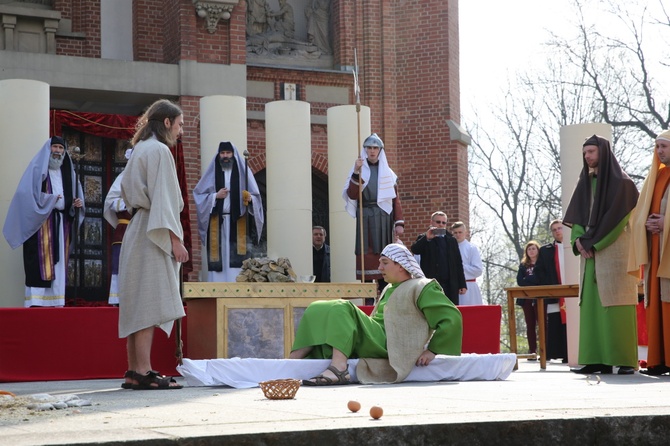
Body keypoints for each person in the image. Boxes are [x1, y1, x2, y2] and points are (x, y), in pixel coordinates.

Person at [289, 243, 463, 385]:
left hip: (393, 343)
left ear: (400, 265)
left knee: (341, 307)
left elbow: (451, 318)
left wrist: (433, 350)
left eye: (384, 262)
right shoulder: (389, 288)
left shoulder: (422, 286)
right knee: (316, 307)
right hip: (375, 337)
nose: (379, 268)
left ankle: (339, 368)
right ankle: (290, 364)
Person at [117, 99, 188, 390]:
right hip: (152, 230)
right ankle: (144, 371)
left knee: (136, 303)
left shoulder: (139, 150)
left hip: (137, 228)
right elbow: (164, 199)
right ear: (167, 122)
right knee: (147, 302)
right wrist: (175, 240)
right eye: (180, 124)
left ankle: (134, 371)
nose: (181, 131)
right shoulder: (159, 151)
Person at [563, 134, 639, 375]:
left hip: (614, 253)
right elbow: (575, 219)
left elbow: (619, 220)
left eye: (591, 152)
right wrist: (578, 241)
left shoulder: (623, 184)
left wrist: (595, 243)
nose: (587, 157)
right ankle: (596, 360)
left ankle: (625, 360)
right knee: (592, 307)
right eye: (585, 153)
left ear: (603, 153)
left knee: (617, 304)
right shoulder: (584, 183)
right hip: (588, 255)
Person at [3, 136, 85, 307]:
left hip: (61, 224)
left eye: (60, 148)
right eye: (55, 147)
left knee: (59, 263)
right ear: (49, 150)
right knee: (40, 262)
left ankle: (56, 301)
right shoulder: (37, 170)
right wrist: (49, 200)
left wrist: (75, 202)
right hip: (41, 225)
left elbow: (73, 196)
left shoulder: (68, 171)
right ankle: (37, 302)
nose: (57, 151)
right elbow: (24, 196)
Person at [628, 129, 670, 376]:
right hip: (657, 253)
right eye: (657, 147)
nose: (659, 151)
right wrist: (646, 223)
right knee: (657, 305)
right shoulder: (657, 176)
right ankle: (659, 360)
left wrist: (665, 223)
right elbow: (640, 213)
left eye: (664, 146)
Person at [194, 142, 264, 282]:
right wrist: (215, 196)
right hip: (217, 222)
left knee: (237, 258)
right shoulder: (212, 172)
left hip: (238, 222)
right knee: (218, 258)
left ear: (233, 154)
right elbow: (199, 195)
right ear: (219, 155)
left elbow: (256, 197)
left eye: (228, 153)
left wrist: (250, 198)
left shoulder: (243, 171)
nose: (225, 156)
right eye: (222, 153)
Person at [343, 133, 404, 290]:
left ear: (380, 150)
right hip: (365, 217)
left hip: (384, 217)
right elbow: (352, 194)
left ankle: (385, 294)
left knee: (386, 254)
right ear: (365, 150)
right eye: (369, 147)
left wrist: (398, 222)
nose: (372, 151)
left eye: (375, 148)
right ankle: (368, 299)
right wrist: (356, 172)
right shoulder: (359, 170)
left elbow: (395, 199)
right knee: (366, 257)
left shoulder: (389, 174)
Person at [411, 212, 466, 305]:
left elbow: (458, 263)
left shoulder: (451, 240)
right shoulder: (424, 237)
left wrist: (462, 284)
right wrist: (427, 238)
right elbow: (415, 250)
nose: (441, 224)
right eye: (438, 222)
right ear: (431, 222)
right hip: (431, 284)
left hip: (449, 284)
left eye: (443, 223)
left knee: (450, 309)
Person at [533, 219, 568, 362]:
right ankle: (557, 353)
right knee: (554, 323)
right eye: (554, 230)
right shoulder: (546, 251)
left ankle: (571, 354)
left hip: (573, 292)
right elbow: (539, 271)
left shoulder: (575, 246)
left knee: (573, 324)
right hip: (555, 293)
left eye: (560, 228)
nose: (557, 231)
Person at [103, 148, 133, 306]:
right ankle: (118, 299)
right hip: (125, 228)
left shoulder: (150, 179)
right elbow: (110, 202)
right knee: (120, 264)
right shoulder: (122, 178)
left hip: (143, 231)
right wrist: (128, 204)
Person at [516, 240, 541, 359]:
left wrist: (528, 279)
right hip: (526, 298)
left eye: (533, 248)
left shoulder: (541, 264)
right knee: (530, 325)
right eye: (529, 249)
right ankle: (532, 352)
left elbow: (540, 279)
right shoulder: (523, 265)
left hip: (539, 298)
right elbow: (520, 281)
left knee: (542, 324)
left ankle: (544, 351)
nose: (531, 251)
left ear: (538, 250)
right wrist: (532, 279)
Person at [451, 221, 484, 305]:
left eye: (460, 232)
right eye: (455, 232)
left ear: (465, 233)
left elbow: (478, 270)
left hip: (469, 287)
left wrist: (458, 267)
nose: (457, 235)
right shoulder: (449, 249)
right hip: (452, 287)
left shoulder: (471, 248)